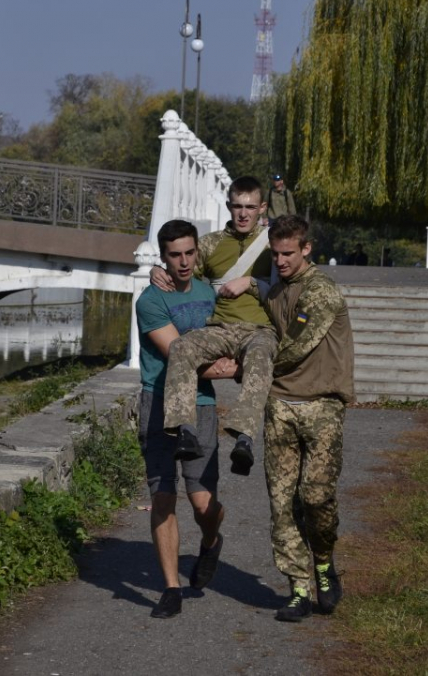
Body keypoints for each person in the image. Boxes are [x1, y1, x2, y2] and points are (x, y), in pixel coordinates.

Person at [135, 219, 235, 619]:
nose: (183, 262)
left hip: (201, 406)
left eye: (189, 253)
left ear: (197, 252)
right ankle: (171, 587)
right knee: (163, 495)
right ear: (163, 257)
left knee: (202, 502)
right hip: (158, 402)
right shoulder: (149, 301)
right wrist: (226, 368)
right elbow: (179, 354)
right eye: (174, 255)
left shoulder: (210, 295)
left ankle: (211, 542)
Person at [259, 214, 355, 622]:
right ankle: (298, 589)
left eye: (287, 253)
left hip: (321, 405)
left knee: (315, 497)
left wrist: (249, 368)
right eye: (275, 254)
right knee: (282, 505)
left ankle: (323, 561)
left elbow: (296, 346)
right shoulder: (276, 289)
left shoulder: (322, 292)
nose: (280, 261)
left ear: (306, 249)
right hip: (280, 407)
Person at [154, 175, 276, 477]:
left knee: (260, 356)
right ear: (228, 207)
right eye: (237, 206)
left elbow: (296, 274)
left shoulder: (273, 244)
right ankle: (185, 430)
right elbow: (180, 267)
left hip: (260, 330)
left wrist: (250, 282)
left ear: (262, 208)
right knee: (181, 346)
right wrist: (156, 269)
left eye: (250, 207)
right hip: (219, 328)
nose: (243, 213)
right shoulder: (210, 244)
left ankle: (244, 440)